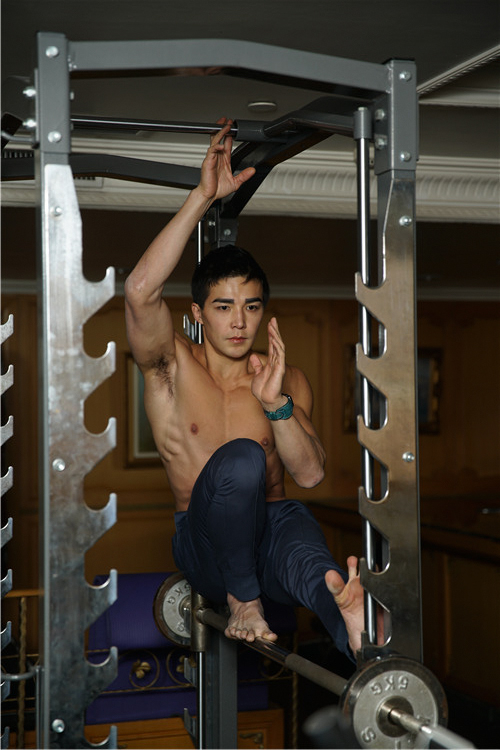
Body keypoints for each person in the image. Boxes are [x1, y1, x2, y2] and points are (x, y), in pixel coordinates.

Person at [124, 118, 365, 660]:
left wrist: (275, 404)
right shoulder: (170, 367)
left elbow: (310, 474)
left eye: (251, 306)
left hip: (274, 530)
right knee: (242, 459)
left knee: (316, 568)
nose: (239, 322)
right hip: (205, 545)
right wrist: (202, 197)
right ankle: (243, 600)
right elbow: (140, 291)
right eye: (224, 307)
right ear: (198, 314)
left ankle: (357, 630)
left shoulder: (286, 380)